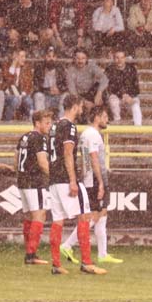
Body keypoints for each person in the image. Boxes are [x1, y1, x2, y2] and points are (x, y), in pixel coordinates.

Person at [45, 95, 106, 275]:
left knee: (57, 220)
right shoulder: (69, 126)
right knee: (85, 216)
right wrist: (72, 180)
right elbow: (68, 152)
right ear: (74, 107)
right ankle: (87, 262)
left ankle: (56, 264)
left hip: (54, 179)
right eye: (80, 106)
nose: (81, 110)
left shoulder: (54, 125)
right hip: (65, 178)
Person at [61, 105, 122, 266]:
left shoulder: (87, 134)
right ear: (97, 117)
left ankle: (103, 253)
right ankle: (67, 244)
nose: (107, 119)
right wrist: (100, 181)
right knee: (94, 215)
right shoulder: (93, 135)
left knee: (102, 214)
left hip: (90, 178)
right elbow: (93, 157)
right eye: (104, 116)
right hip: (94, 179)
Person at [16, 110, 54, 266]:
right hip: (35, 181)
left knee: (29, 217)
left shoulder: (24, 137)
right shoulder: (39, 138)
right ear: (37, 123)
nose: (49, 126)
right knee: (40, 215)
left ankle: (29, 252)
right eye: (46, 123)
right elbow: (43, 162)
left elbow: (16, 158)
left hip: (23, 180)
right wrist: (55, 177)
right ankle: (31, 254)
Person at [104, 49, 142, 126]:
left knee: (136, 105)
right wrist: (122, 94)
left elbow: (136, 87)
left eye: (122, 57)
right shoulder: (109, 70)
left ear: (125, 58)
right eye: (117, 58)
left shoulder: (132, 69)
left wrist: (129, 96)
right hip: (116, 96)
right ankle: (117, 121)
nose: (119, 60)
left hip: (130, 96)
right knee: (113, 100)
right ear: (114, 59)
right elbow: (110, 87)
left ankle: (138, 127)